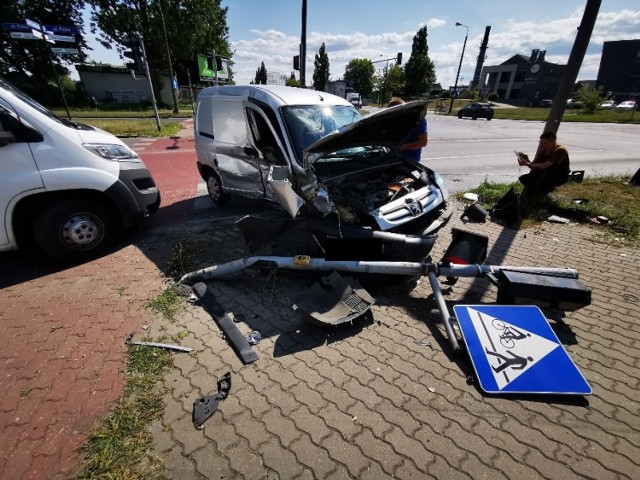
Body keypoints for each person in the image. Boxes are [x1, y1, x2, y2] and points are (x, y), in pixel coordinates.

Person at [517, 130, 570, 197]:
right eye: (540, 142)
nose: (541, 145)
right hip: (544, 174)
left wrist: (527, 163)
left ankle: (540, 194)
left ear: (552, 142)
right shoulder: (543, 150)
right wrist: (526, 160)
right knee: (524, 178)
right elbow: (533, 166)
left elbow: (544, 166)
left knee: (537, 176)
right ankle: (534, 196)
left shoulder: (560, 150)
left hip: (558, 176)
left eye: (544, 143)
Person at [387, 97, 428, 162]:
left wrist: (404, 146)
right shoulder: (393, 121)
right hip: (393, 157)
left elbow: (423, 142)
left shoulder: (418, 120)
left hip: (410, 161)